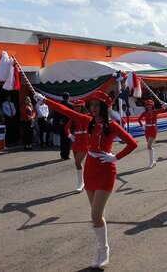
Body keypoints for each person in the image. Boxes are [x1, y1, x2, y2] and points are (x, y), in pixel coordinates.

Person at [36, 91, 137, 269]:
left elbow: (132, 143)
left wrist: (115, 157)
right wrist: (45, 100)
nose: (93, 108)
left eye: (97, 105)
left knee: (95, 214)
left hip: (106, 170)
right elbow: (65, 110)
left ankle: (104, 250)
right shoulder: (87, 121)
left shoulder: (112, 125)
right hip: (90, 169)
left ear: (104, 108)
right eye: (92, 105)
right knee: (96, 216)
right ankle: (99, 250)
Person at [65, 100, 90, 192]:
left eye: (78, 106)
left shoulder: (88, 116)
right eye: (75, 107)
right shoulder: (74, 117)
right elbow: (66, 127)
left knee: (78, 162)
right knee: (77, 163)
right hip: (76, 141)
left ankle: (81, 183)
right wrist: (69, 135)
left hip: (85, 141)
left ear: (82, 107)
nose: (76, 108)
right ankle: (81, 182)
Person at [137, 100, 167, 168]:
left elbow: (163, 109)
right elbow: (139, 119)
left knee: (149, 145)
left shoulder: (155, 112)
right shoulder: (144, 113)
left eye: (150, 105)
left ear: (152, 105)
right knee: (150, 146)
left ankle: (151, 161)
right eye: (147, 105)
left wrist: (165, 106)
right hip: (147, 130)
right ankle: (153, 160)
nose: (148, 106)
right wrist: (142, 126)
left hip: (153, 130)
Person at [52, 92, 74, 160]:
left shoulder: (59, 105)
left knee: (62, 140)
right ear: (69, 97)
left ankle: (62, 155)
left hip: (61, 124)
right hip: (69, 124)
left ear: (62, 97)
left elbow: (55, 115)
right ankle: (67, 155)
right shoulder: (72, 105)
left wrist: (60, 121)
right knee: (67, 140)